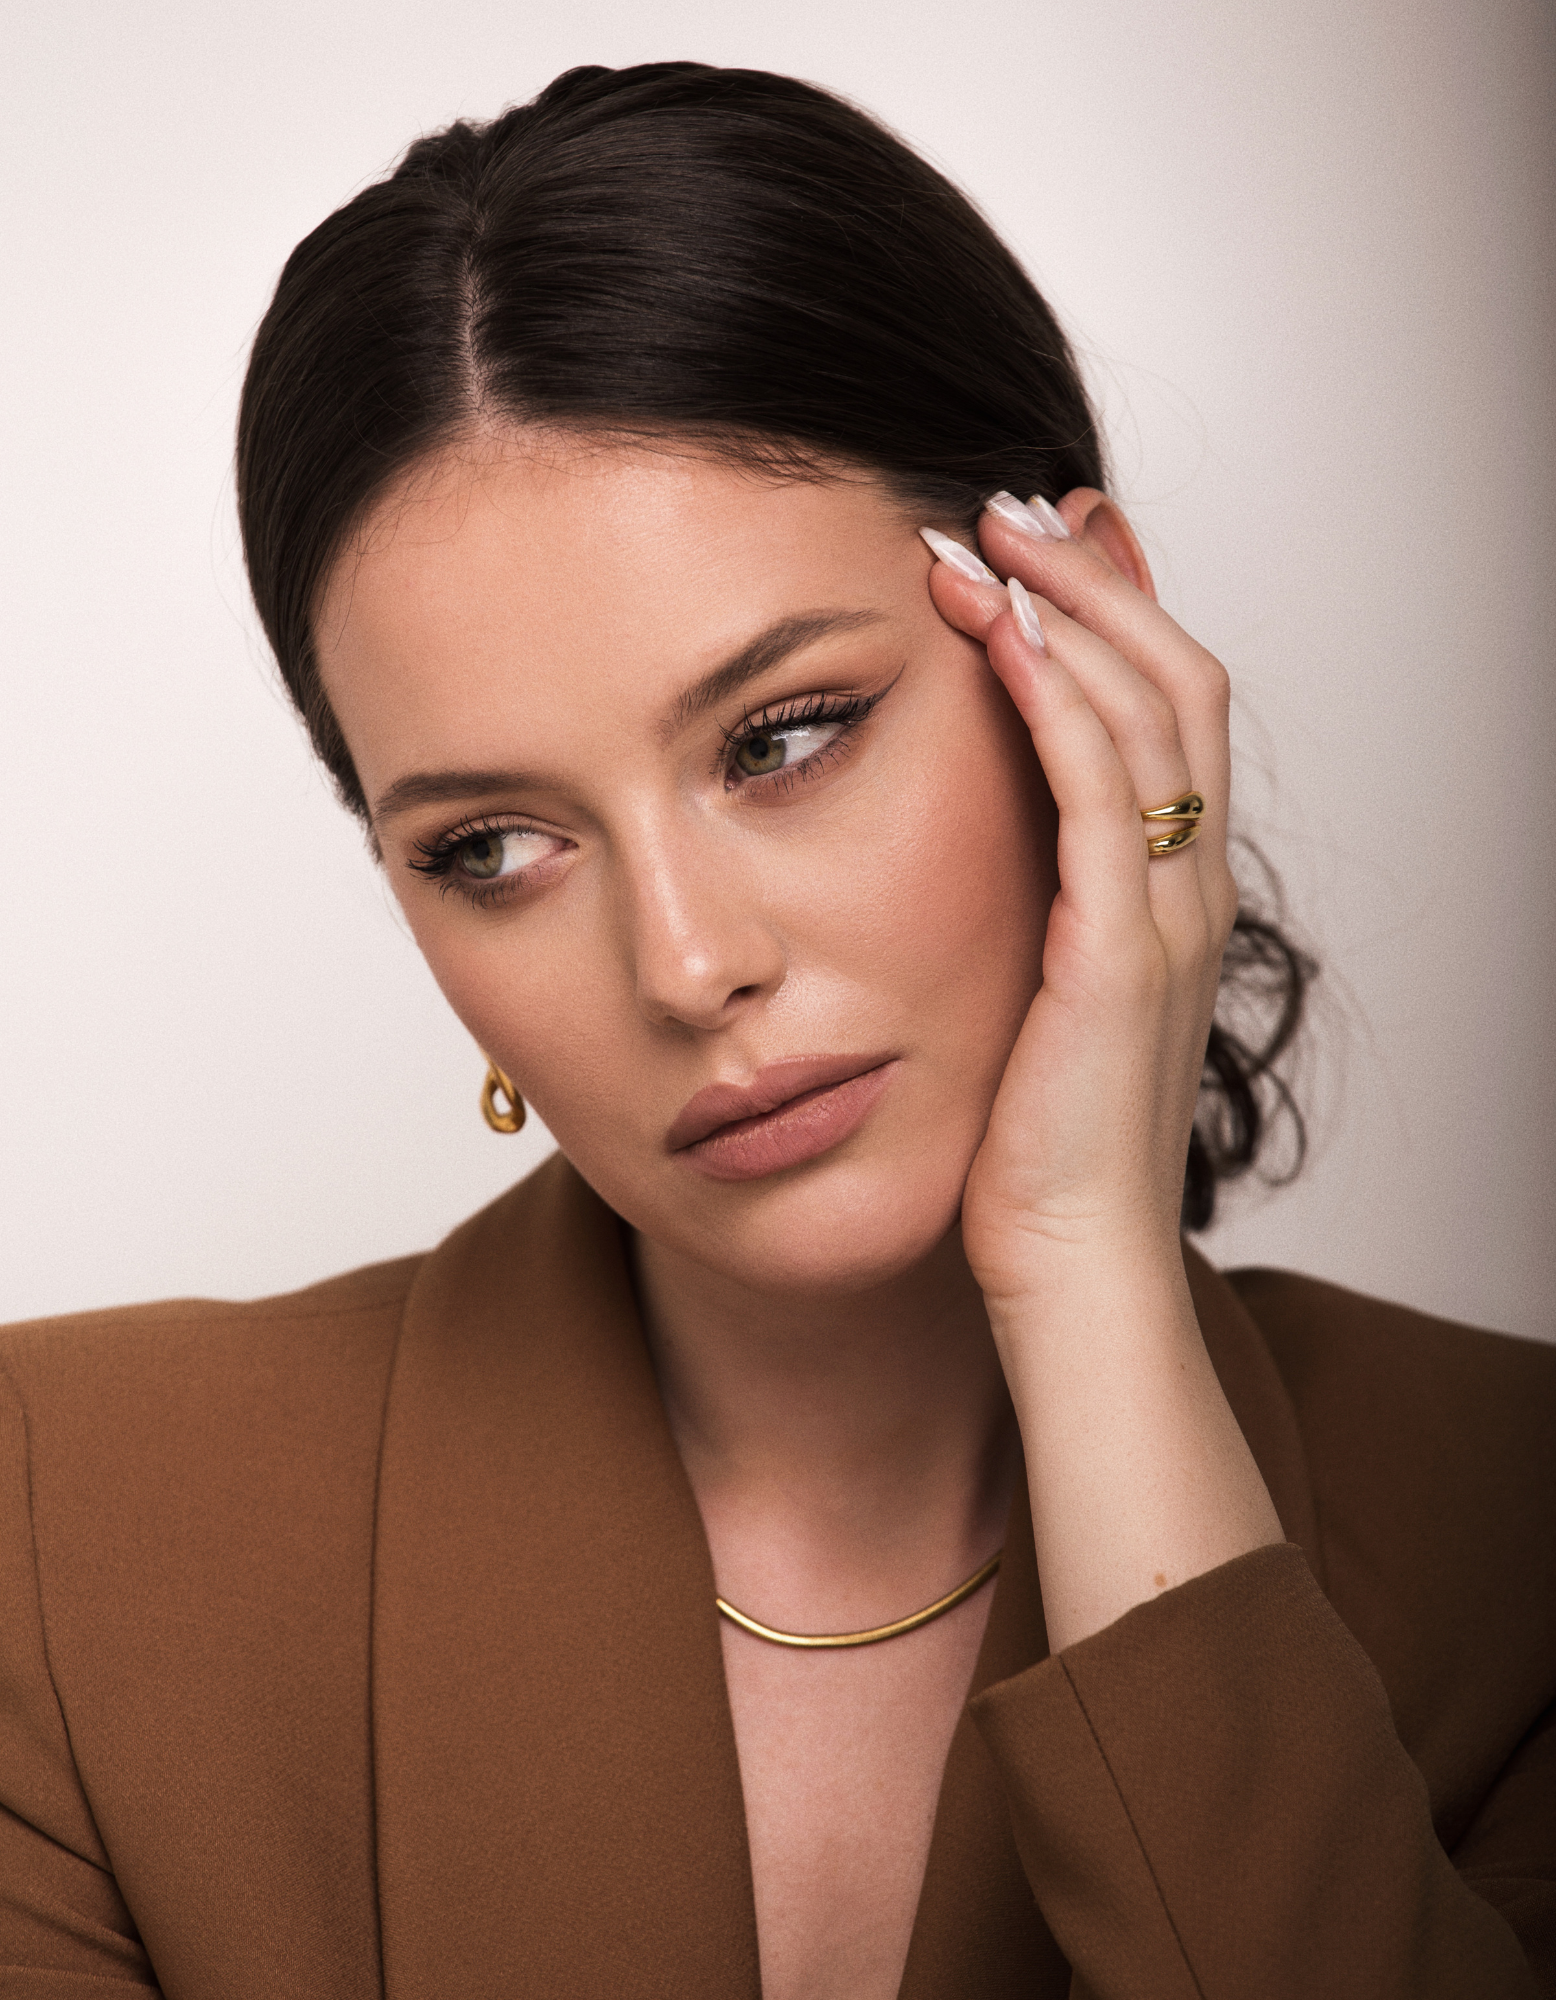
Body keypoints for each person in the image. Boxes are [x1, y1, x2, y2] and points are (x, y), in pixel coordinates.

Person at [1, 59, 1551, 2000]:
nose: (684, 964)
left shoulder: (1514, 1538)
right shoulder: (62, 1533)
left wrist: (1084, 1270)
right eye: (493, 847)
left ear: (1081, 633)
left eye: (785, 736)